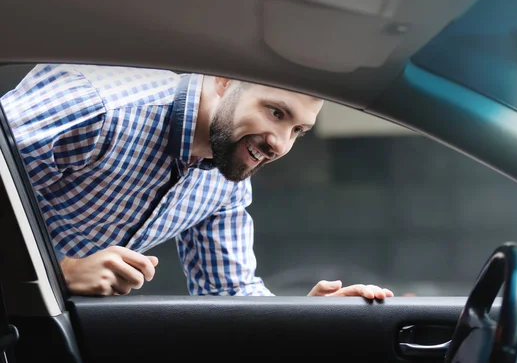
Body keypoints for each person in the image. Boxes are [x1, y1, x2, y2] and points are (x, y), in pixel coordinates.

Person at [0, 64, 394, 299]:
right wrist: (59, 273)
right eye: (275, 112)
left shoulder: (225, 175)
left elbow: (229, 297)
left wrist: (304, 318)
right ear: (223, 80)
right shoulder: (101, 106)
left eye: (298, 131)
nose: (279, 144)